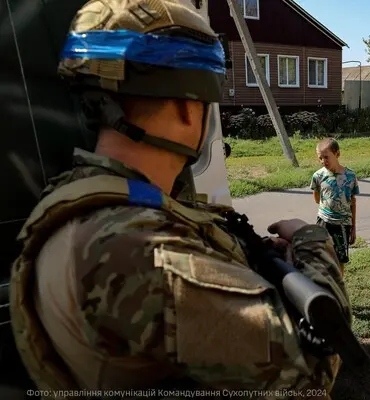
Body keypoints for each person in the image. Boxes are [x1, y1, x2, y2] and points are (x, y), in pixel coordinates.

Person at [9, 1, 351, 397]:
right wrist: (313, 242)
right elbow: (314, 368)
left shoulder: (88, 197)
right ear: (189, 109)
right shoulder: (133, 247)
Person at [310, 138, 360, 276]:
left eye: (326, 157)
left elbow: (352, 201)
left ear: (337, 154)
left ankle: (339, 284)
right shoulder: (318, 176)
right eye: (320, 158)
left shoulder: (350, 176)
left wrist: (353, 227)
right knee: (322, 256)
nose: (323, 161)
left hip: (343, 224)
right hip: (323, 222)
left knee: (340, 258)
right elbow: (317, 198)